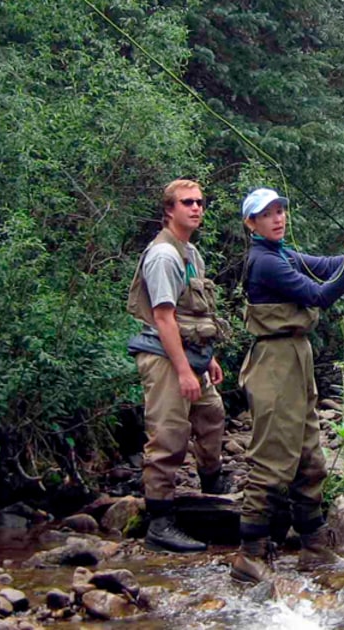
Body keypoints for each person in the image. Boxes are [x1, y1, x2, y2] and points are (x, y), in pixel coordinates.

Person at [230, 187, 344, 583]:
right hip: (274, 364)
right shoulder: (263, 262)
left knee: (308, 456)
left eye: (280, 211)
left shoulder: (281, 253)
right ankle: (250, 555)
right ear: (252, 224)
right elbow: (319, 294)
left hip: (297, 359)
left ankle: (314, 547)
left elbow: (325, 264)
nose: (278, 218)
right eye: (267, 214)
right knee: (271, 461)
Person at [125, 178, 233, 553]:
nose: (196, 208)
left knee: (211, 415)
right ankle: (160, 522)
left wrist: (208, 359)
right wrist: (185, 370)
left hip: (192, 356)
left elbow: (194, 314)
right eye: (187, 202)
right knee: (168, 435)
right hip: (163, 358)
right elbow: (165, 318)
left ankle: (213, 486)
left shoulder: (192, 254)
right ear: (169, 210)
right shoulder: (164, 257)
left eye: (200, 202)